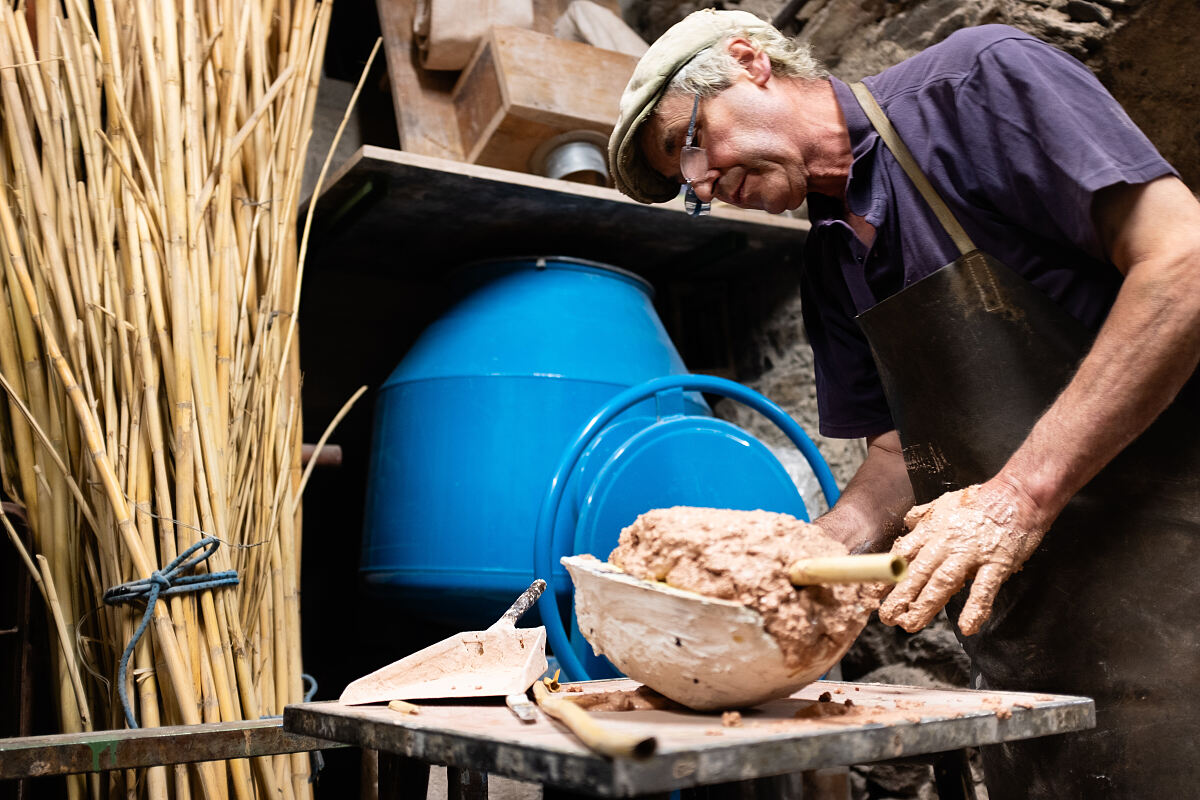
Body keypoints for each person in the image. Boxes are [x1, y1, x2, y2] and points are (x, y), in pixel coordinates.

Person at [607, 9, 1200, 799]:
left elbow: (1182, 263)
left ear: (749, 62)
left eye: (690, 141)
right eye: (690, 187)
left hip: (1176, 572)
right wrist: (801, 557)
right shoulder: (828, 264)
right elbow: (897, 453)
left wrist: (1017, 496)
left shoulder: (976, 82)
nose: (703, 182)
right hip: (1038, 633)